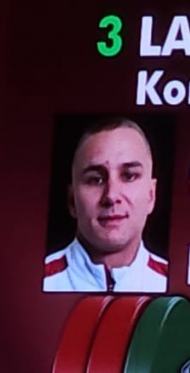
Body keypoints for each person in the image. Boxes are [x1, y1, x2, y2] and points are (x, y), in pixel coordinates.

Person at [44, 118, 168, 292]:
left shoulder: (177, 285)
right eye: (96, 179)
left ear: (151, 195)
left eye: (129, 176)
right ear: (72, 200)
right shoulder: (34, 281)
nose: (111, 196)